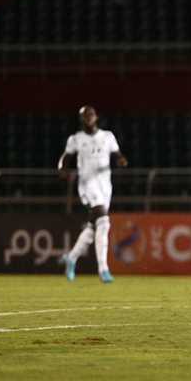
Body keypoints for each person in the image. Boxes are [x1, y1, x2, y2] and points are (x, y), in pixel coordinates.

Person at [58, 105, 127, 283]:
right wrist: (62, 169)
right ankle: (103, 269)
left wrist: (120, 159)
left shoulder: (108, 137)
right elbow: (65, 158)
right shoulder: (76, 139)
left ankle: (71, 258)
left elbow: (117, 154)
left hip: (105, 186)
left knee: (93, 228)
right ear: (81, 119)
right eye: (84, 115)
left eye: (91, 114)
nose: (88, 117)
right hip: (87, 185)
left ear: (96, 117)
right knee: (104, 221)